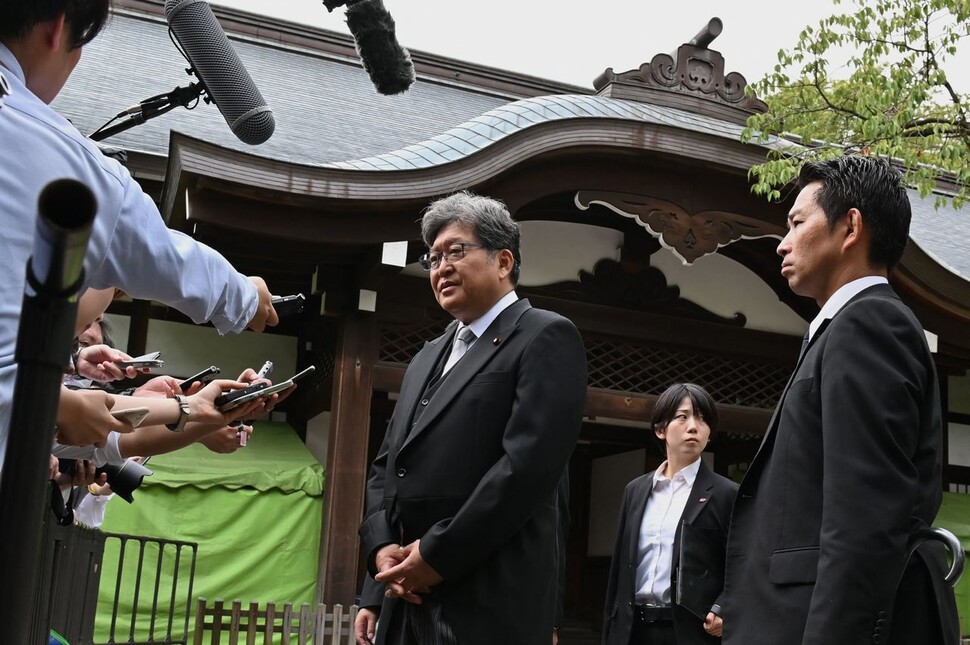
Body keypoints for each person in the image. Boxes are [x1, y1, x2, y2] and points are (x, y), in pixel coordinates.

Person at [0, 1, 278, 464]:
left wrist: (187, 408)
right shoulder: (75, 162)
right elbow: (166, 256)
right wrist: (245, 296)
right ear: (56, 28)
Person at [720, 156, 958, 644]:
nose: (782, 242)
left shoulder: (868, 324)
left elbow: (863, 521)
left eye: (797, 222)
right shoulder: (845, 329)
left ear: (850, 226)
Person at [355, 191, 587, 645]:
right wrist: (380, 563)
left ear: (504, 262)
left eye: (456, 251)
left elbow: (526, 469)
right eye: (434, 257)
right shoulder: (426, 357)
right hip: (405, 593)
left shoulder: (545, 336)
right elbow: (387, 467)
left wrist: (437, 555)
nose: (441, 267)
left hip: (489, 595)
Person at [603, 383, 737, 645]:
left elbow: (743, 564)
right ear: (660, 429)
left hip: (691, 631)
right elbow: (619, 569)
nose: (693, 426)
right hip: (632, 630)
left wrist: (723, 608)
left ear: (709, 434)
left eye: (702, 418)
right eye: (682, 416)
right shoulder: (636, 490)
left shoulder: (726, 494)